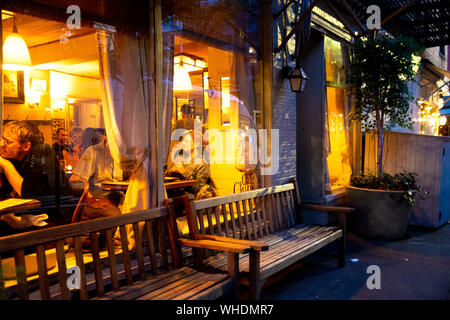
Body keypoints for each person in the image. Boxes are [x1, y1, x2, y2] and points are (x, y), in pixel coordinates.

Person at [0, 121, 74, 237]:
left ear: (26, 146)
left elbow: (26, 192)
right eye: (2, 139)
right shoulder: (14, 157)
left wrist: (5, 165)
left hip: (52, 221)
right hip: (28, 216)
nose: (1, 144)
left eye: (8, 142)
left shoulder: (42, 153)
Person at [71, 137, 131, 222]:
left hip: (117, 199)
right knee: (116, 218)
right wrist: (93, 202)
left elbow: (129, 175)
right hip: (95, 200)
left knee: (136, 213)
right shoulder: (92, 152)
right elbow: (76, 181)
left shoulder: (122, 153)